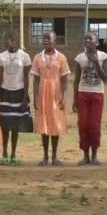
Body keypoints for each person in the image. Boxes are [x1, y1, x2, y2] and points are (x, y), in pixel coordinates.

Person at [73, 32, 107, 165]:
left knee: (94, 125)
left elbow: (106, 77)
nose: (87, 40)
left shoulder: (103, 57)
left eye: (90, 38)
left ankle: (95, 155)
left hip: (97, 93)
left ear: (96, 42)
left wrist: (96, 63)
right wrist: (75, 98)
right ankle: (85, 155)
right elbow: (76, 79)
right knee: (83, 125)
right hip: (83, 93)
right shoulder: (79, 58)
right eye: (85, 39)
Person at [32, 32, 70, 166]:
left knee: (55, 124)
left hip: (56, 94)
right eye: (44, 38)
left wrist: (63, 97)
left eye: (48, 38)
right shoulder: (37, 57)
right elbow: (36, 80)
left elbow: (65, 80)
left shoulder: (61, 58)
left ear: (55, 41)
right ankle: (45, 157)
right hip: (43, 94)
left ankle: (54, 156)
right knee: (44, 125)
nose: (45, 40)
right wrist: (35, 97)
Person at [0, 35, 33, 165]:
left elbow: (26, 77)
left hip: (19, 93)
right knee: (5, 125)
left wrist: (25, 94)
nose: (9, 42)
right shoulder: (1, 57)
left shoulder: (25, 56)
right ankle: (5, 152)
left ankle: (13, 153)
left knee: (16, 125)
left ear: (17, 41)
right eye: (7, 40)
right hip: (5, 93)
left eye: (11, 40)